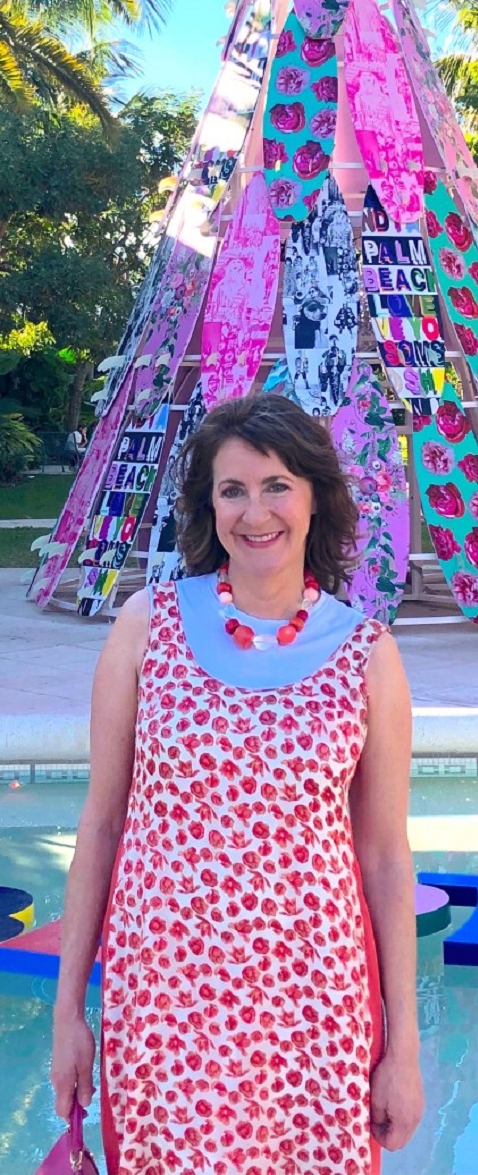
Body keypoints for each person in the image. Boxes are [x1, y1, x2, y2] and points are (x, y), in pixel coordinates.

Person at [51, 393, 424, 1175]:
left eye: (278, 484)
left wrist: (404, 1048)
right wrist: (68, 1014)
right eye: (232, 490)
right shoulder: (147, 626)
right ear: (207, 505)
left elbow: (385, 858)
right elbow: (102, 827)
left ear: (316, 495)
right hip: (165, 999)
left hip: (314, 1002)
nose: (256, 512)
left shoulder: (367, 653)